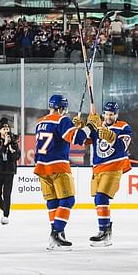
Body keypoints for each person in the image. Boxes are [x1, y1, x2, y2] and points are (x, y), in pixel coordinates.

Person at [34, 95, 97, 250]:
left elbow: (62, 137)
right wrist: (90, 126)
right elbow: (78, 139)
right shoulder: (63, 120)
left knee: (53, 201)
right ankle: (57, 233)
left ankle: (54, 234)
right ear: (62, 108)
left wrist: (74, 128)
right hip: (58, 166)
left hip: (41, 167)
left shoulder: (40, 122)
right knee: (68, 200)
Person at [75, 102, 132, 247]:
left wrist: (111, 137)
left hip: (114, 166)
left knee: (101, 197)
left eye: (111, 114)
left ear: (116, 114)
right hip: (98, 168)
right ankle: (106, 230)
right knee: (98, 200)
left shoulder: (123, 127)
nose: (108, 117)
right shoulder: (98, 126)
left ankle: (104, 232)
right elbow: (81, 141)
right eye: (106, 114)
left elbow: (122, 148)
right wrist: (80, 128)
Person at [0, 118, 21, 224]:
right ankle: (5, 209)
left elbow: (17, 156)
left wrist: (12, 150)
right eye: (4, 128)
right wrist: (4, 145)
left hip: (9, 171)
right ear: (0, 131)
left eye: (7, 128)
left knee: (7, 194)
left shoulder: (14, 142)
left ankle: (6, 215)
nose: (6, 130)